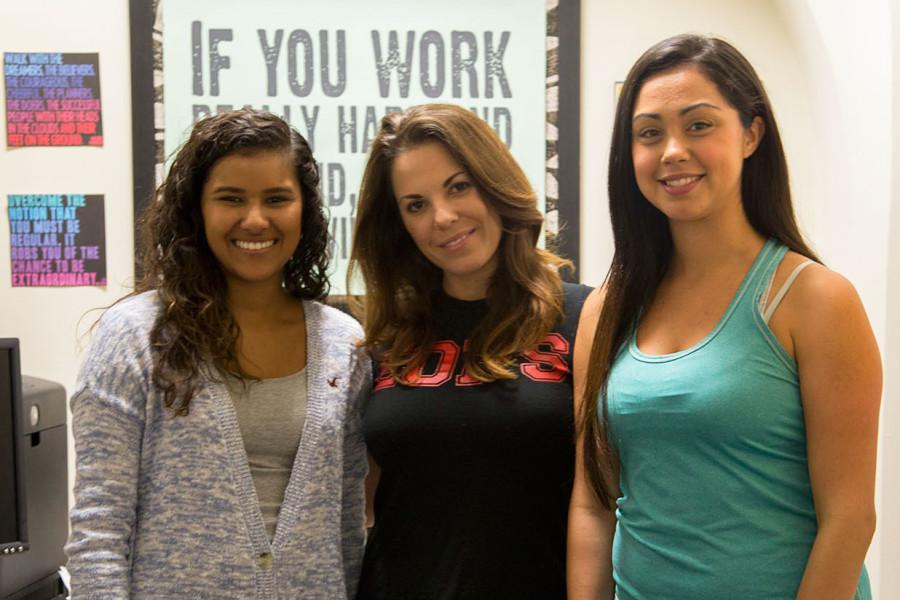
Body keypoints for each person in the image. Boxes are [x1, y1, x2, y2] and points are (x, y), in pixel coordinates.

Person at [567, 34, 881, 600]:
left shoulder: (815, 300)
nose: (671, 152)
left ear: (751, 134)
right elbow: (593, 502)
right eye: (649, 133)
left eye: (699, 125)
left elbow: (850, 519)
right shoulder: (606, 309)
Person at [65, 109, 369, 599]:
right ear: (197, 211)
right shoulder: (135, 336)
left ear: (304, 210)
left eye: (277, 199)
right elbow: (99, 527)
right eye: (231, 199)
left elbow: (346, 526)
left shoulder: (343, 345)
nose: (255, 219)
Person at [348, 103, 592, 599]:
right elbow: (369, 502)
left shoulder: (585, 317)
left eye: (459, 186)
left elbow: (605, 500)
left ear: (493, 182)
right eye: (415, 205)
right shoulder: (388, 338)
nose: (443, 217)